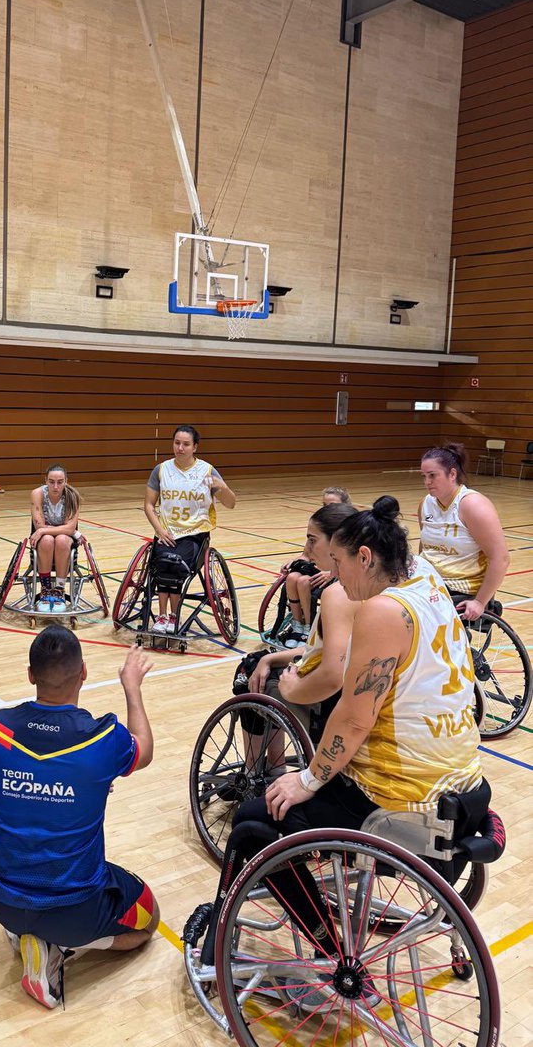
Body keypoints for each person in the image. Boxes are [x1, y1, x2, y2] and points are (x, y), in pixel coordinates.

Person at [221, 497, 484, 1009]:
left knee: (254, 823)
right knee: (292, 799)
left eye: (339, 563)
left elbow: (355, 717)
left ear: (365, 557)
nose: (335, 576)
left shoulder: (384, 610)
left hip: (401, 800)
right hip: (464, 785)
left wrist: (308, 779)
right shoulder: (427, 579)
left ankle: (327, 954)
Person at [0, 627, 158, 1010]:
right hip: (73, 909)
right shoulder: (103, 739)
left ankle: (24, 931)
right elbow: (143, 751)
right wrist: (132, 687)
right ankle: (58, 945)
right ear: (84, 672)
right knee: (148, 918)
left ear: (30, 674)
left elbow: (2, 789)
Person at [244, 499, 358, 736]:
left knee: (247, 673)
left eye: (312, 540)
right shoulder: (367, 582)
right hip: (353, 693)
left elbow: (332, 675)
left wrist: (292, 690)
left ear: (337, 541)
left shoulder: (339, 594)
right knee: (263, 661)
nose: (307, 548)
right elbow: (324, 651)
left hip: (328, 704)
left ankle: (268, 759)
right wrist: (271, 658)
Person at [143, 425, 236, 634]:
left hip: (195, 534)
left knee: (174, 564)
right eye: (177, 443)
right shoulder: (161, 470)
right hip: (167, 532)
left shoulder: (206, 471)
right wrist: (159, 530)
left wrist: (222, 487)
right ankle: (162, 616)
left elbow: (231, 503)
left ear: (195, 447)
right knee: (161, 564)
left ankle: (173, 616)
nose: (180, 448)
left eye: (186, 444)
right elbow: (149, 505)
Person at [418, 442, 510, 622]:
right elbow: (426, 547)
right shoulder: (426, 503)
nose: (427, 482)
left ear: (452, 474)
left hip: (459, 588)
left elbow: (501, 559)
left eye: (432, 475)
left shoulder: (472, 505)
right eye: (424, 476)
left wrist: (480, 602)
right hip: (429, 582)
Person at [280, 485, 352, 648]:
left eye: (332, 505)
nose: (327, 508)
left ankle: (309, 626)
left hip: (331, 575)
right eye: (324, 505)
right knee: (292, 577)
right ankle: (298, 624)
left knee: (303, 582)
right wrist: (293, 561)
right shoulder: (319, 526)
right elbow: (306, 554)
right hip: (319, 569)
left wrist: (332, 572)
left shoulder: (345, 533)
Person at [31, 464, 82, 614]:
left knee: (62, 539)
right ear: (45, 480)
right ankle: (46, 589)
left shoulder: (72, 496)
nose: (55, 486)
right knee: (47, 540)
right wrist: (66, 530)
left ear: (66, 481)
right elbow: (38, 525)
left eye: (60, 482)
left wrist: (43, 530)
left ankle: (59, 589)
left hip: (63, 539)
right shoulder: (37, 494)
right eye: (51, 481)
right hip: (44, 540)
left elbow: (69, 529)